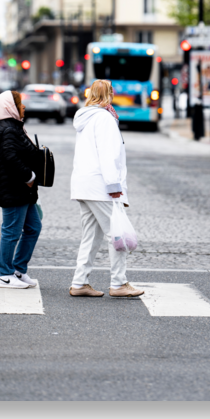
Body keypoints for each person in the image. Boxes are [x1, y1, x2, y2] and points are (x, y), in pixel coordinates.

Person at [68, 80, 143, 299]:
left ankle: (80, 282)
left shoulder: (85, 117)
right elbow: (108, 155)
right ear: (108, 94)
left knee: (90, 236)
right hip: (101, 185)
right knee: (116, 235)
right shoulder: (105, 119)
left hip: (84, 184)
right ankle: (119, 283)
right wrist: (114, 186)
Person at [0, 90, 42, 289]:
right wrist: (29, 176)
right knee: (11, 231)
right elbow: (10, 157)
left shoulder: (13, 126)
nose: (24, 106)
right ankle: (4, 274)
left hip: (21, 191)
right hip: (14, 189)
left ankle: (18, 270)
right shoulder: (8, 129)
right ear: (11, 107)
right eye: (20, 103)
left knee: (33, 228)